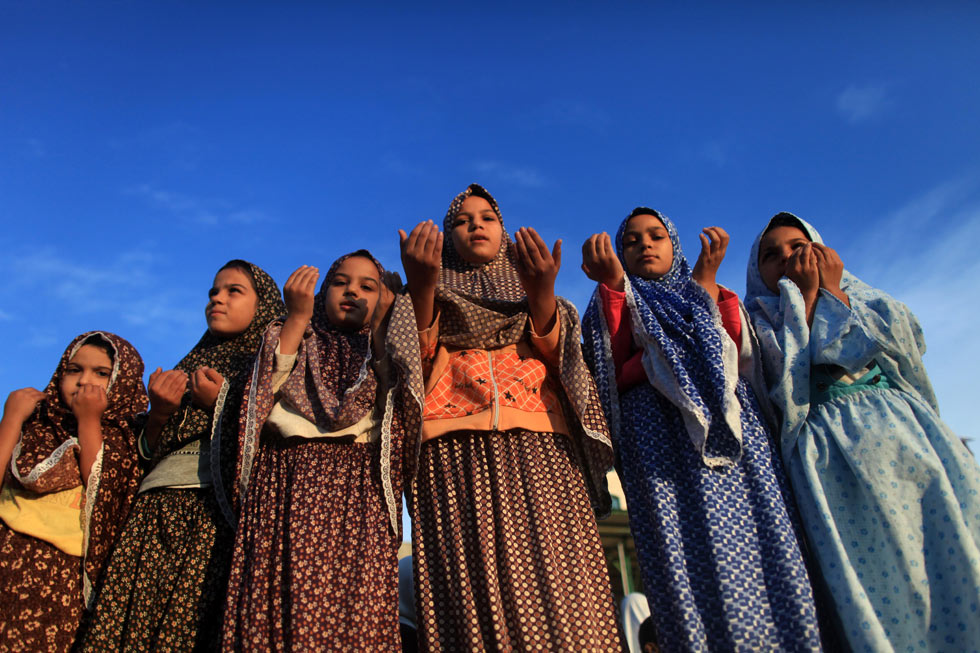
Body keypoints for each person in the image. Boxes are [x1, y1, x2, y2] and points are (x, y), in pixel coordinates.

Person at [387, 183, 621, 650]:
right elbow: (408, 364)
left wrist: (541, 296)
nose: (474, 224)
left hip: (544, 455)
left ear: (504, 230)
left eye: (486, 217)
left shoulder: (542, 294)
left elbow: (570, 368)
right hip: (451, 460)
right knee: (472, 596)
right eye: (461, 220)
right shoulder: (417, 299)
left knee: (562, 594)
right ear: (447, 238)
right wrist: (423, 289)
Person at [581, 208, 823, 651]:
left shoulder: (716, 292)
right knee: (680, 555)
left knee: (760, 541)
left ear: (675, 244)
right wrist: (615, 288)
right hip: (656, 442)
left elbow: (732, 358)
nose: (644, 245)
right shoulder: (607, 300)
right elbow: (606, 368)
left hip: (732, 441)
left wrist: (704, 285)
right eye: (631, 241)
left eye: (656, 235)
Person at [744, 212, 980, 651]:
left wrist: (832, 293)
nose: (788, 259)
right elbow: (785, 378)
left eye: (798, 246)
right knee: (873, 573)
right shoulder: (760, 322)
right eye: (771, 256)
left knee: (951, 550)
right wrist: (809, 301)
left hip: (907, 433)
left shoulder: (865, 298)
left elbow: (883, 346)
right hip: (827, 456)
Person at [80, 260, 284, 651]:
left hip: (212, 519)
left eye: (232, 291)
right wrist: (158, 412)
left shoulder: (269, 368)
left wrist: (223, 401)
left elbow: (273, 439)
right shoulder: (190, 365)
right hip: (151, 515)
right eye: (213, 291)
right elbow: (142, 455)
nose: (216, 299)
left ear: (264, 304)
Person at [221, 251, 405, 650]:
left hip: (356, 490)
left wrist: (383, 330)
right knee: (274, 602)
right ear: (322, 292)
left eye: (367, 286)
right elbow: (262, 392)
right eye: (340, 281)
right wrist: (299, 317)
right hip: (286, 480)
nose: (352, 290)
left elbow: (397, 402)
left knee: (354, 607)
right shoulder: (295, 335)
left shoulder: (384, 350)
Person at [0, 332, 147, 651]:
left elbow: (101, 487)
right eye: (74, 369)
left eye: (101, 373)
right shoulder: (35, 427)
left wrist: (89, 420)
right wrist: (11, 419)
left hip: (62, 580)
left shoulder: (124, 439)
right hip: (7, 559)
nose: (84, 381)